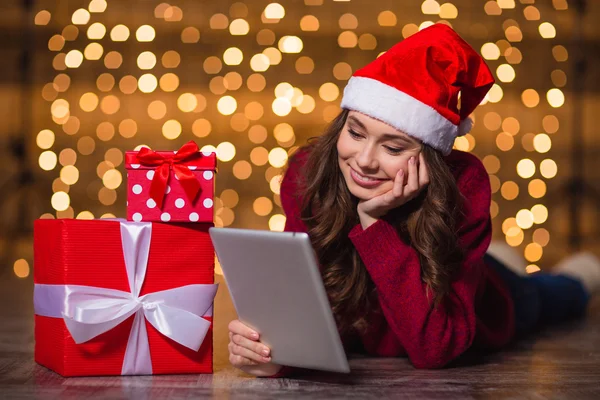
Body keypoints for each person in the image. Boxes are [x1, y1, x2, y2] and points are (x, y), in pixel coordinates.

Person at [227, 23, 600, 377]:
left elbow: (435, 349)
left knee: (546, 296)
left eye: (392, 147)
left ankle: (580, 275)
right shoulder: (307, 174)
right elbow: (311, 306)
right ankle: (498, 256)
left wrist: (373, 221)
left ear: (429, 157)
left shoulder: (462, 186)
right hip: (367, 326)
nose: (365, 160)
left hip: (487, 301)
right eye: (355, 133)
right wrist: (272, 356)